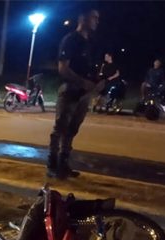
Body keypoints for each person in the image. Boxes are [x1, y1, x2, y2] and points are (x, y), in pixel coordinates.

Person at [46, 8, 104, 179]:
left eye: (97, 18)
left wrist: (98, 82)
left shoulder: (90, 42)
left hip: (84, 94)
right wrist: (83, 82)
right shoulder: (71, 40)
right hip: (70, 90)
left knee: (72, 130)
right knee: (60, 128)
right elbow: (63, 68)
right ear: (83, 18)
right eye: (94, 17)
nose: (97, 21)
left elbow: (89, 68)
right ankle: (52, 164)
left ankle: (63, 164)